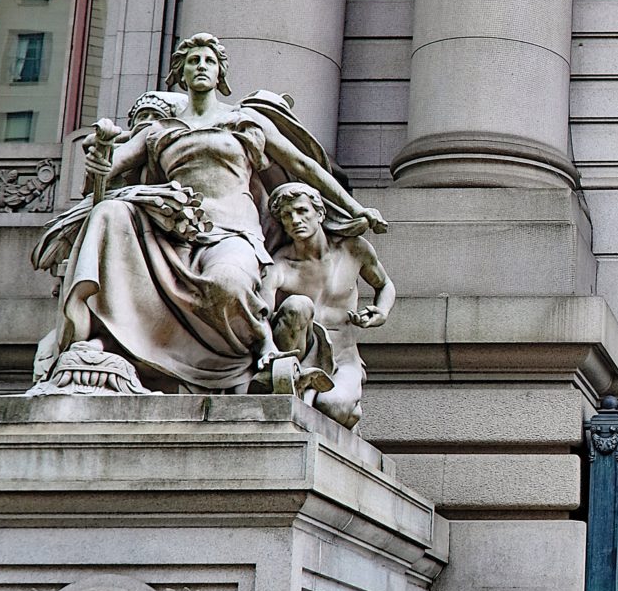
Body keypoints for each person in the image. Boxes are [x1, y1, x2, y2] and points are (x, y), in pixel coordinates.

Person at [43, 33, 385, 393]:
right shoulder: (158, 131)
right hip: (172, 236)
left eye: (208, 61)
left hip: (233, 233)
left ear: (220, 73)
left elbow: (304, 167)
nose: (201, 66)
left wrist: (354, 208)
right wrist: (98, 159)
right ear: (181, 74)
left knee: (228, 285)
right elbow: (109, 170)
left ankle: (261, 345)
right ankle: (91, 336)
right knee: (109, 212)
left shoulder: (244, 121)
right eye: (193, 61)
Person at [261, 182, 394, 427]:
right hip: (298, 355)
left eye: (302, 211)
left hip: (344, 358)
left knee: (330, 407)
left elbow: (384, 285)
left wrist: (382, 312)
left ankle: (336, 401)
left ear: (320, 214)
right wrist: (268, 346)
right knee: (298, 305)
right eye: (287, 215)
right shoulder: (279, 265)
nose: (295, 220)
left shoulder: (354, 250)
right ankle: (298, 381)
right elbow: (263, 313)